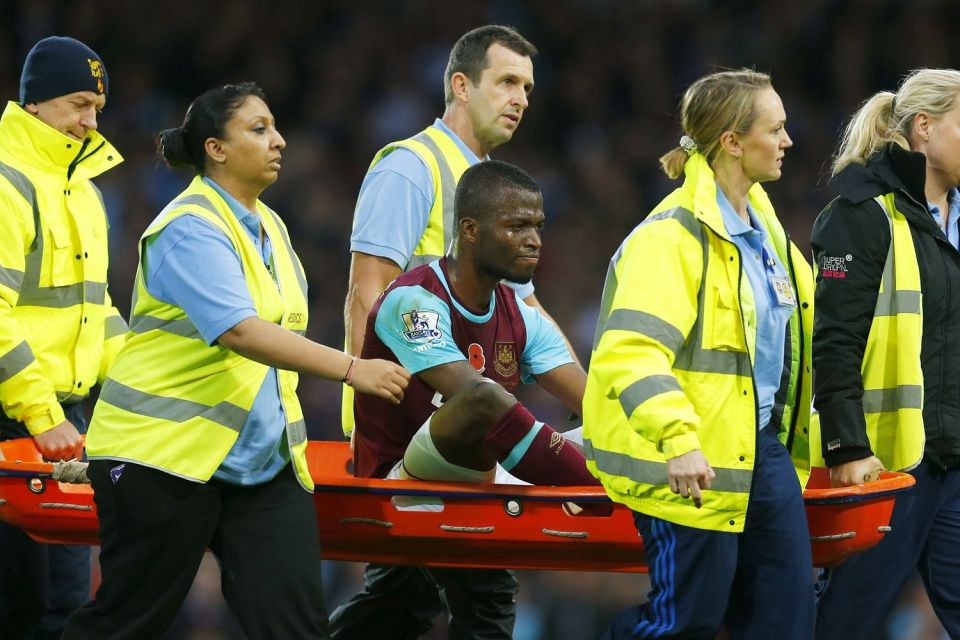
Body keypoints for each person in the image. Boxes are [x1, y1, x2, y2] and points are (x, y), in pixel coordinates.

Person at [60, 82, 410, 640]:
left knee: (296, 630)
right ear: (215, 149)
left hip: (262, 467)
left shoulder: (270, 225)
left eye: (274, 127)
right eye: (259, 129)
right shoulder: (188, 227)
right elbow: (242, 332)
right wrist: (352, 368)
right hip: (164, 459)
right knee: (126, 624)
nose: (280, 141)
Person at [334, 24, 573, 639]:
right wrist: (375, 428)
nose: (520, 97)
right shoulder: (412, 168)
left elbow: (529, 324)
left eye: (527, 86)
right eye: (506, 82)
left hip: (468, 429)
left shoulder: (496, 191)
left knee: (407, 601)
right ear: (461, 86)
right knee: (438, 597)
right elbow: (369, 294)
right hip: (410, 430)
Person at [583, 69, 816, 639]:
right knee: (684, 625)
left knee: (786, 621)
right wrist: (679, 440)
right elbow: (630, 353)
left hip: (760, 450)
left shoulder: (765, 232)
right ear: (733, 143)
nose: (788, 141)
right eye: (776, 129)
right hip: (691, 461)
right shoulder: (668, 240)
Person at [340, 160, 599, 639]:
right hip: (401, 481)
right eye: (517, 225)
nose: (535, 240)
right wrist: (592, 483)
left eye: (539, 226)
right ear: (470, 229)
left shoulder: (521, 316)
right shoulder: (413, 299)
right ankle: (601, 493)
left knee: (408, 611)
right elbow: (473, 400)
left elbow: (595, 405)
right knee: (483, 398)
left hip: (476, 472)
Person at [811, 68, 960, 639]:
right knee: (847, 622)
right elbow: (835, 342)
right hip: (885, 465)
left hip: (952, 462)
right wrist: (847, 446)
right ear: (923, 127)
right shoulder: (862, 215)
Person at [0, 36, 125, 640]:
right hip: (20, 421)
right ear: (36, 106)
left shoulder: (86, 193)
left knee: (67, 604)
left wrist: (139, 380)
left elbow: (95, 311)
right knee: (21, 606)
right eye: (79, 104)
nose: (90, 122)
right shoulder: (7, 184)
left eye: (97, 108)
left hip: (65, 426)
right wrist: (40, 414)